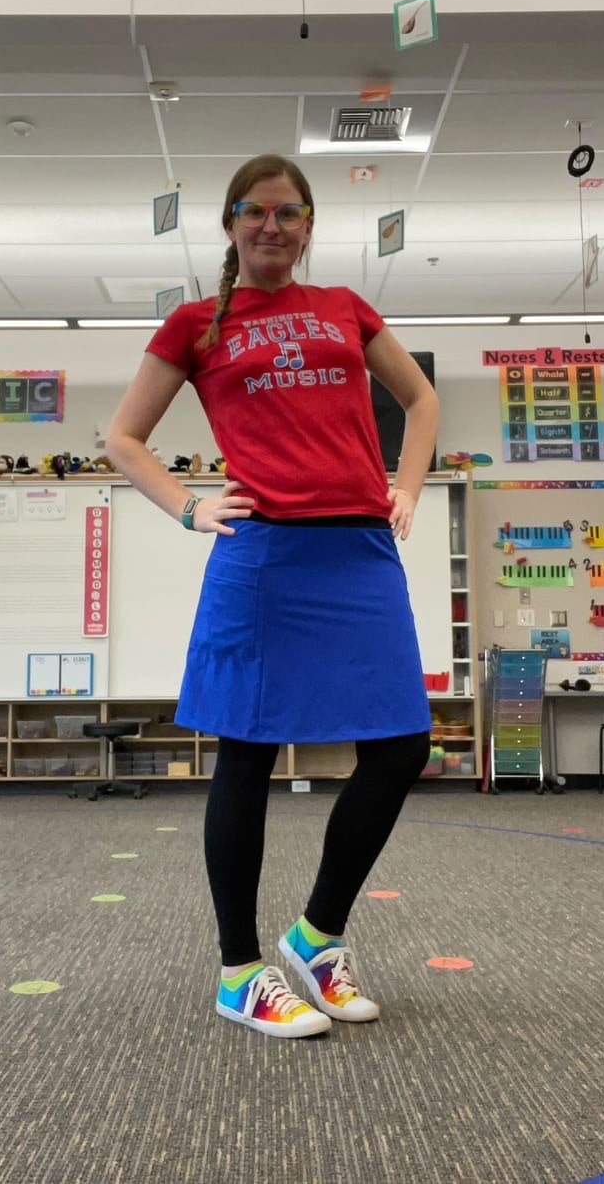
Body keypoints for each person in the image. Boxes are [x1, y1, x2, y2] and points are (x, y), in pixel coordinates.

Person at [107, 153, 439, 1040]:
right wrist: (189, 509)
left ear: (307, 225)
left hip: (361, 553)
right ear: (229, 224)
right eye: (256, 212)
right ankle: (240, 968)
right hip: (262, 559)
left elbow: (420, 397)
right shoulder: (194, 324)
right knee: (247, 755)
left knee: (402, 746)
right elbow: (124, 436)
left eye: (289, 213)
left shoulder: (344, 309)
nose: (272, 227)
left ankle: (317, 934)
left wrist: (404, 484)